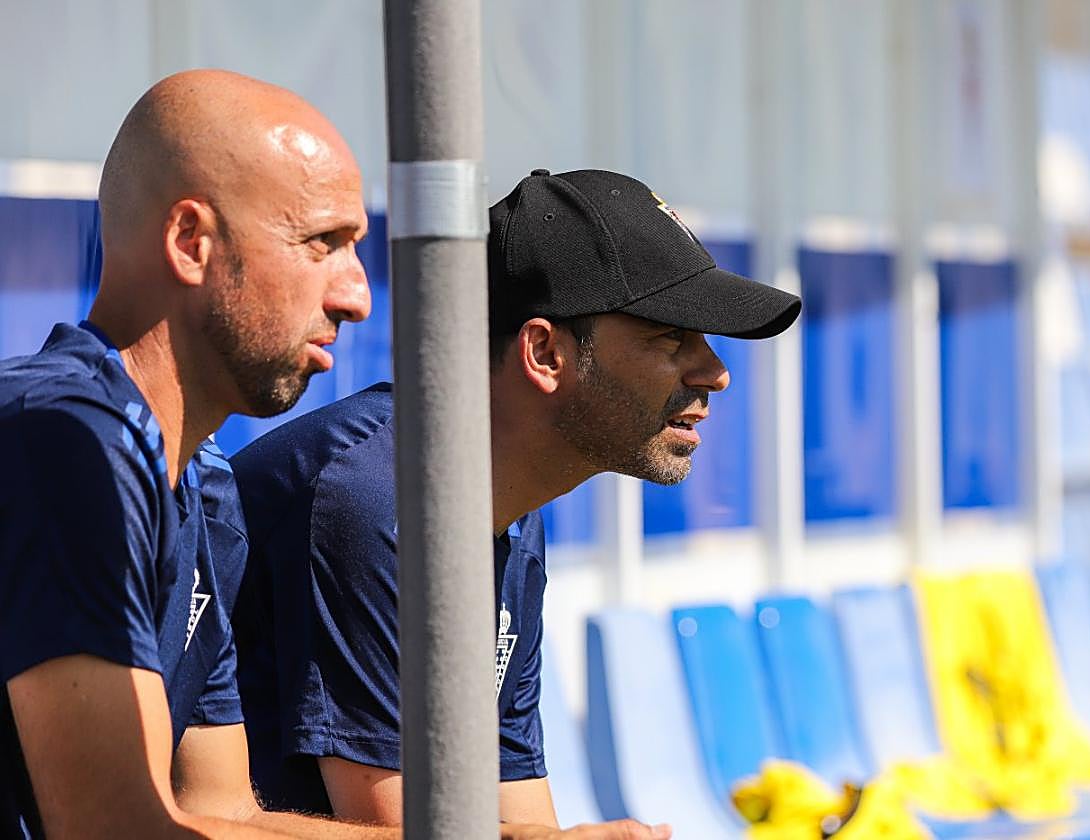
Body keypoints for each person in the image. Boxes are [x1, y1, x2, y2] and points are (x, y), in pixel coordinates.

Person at [230, 168, 803, 837]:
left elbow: (516, 803)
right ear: (545, 352)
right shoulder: (372, 501)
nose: (717, 372)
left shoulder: (511, 511)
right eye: (673, 337)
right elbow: (405, 826)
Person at [0, 69, 400, 838]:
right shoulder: (65, 444)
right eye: (323, 243)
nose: (356, 296)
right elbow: (117, 830)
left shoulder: (203, 486)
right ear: (191, 243)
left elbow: (220, 814)